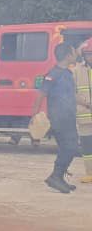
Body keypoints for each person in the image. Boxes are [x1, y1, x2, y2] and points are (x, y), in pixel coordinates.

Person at [41, 43, 79, 194]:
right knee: (70, 147)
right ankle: (55, 177)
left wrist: (87, 104)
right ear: (68, 55)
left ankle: (59, 177)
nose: (76, 54)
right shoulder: (54, 74)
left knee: (69, 147)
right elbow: (41, 94)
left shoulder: (67, 73)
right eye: (74, 52)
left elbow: (72, 96)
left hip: (68, 116)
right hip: (59, 118)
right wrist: (35, 116)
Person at [75, 43, 92, 184]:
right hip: (84, 116)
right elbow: (72, 92)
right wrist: (86, 104)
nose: (90, 57)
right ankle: (90, 173)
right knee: (87, 146)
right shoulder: (77, 70)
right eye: (88, 54)